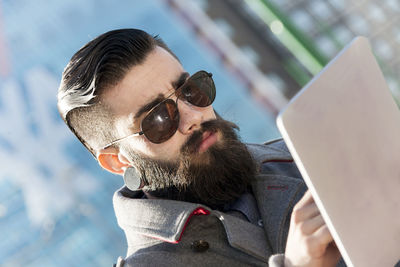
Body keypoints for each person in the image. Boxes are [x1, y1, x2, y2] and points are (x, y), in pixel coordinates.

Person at [57, 29, 343, 267]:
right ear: (117, 162)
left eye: (191, 90)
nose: (193, 116)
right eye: (159, 119)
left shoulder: (304, 155)